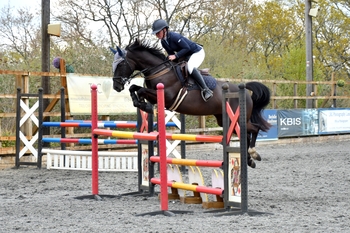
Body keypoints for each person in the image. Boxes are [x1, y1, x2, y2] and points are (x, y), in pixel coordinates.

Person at [152, 19, 213, 101]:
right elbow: (171, 54)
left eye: (158, 32)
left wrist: (176, 55)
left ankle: (206, 90)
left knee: (190, 67)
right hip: (186, 54)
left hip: (197, 52)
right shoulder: (163, 42)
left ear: (164, 30)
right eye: (156, 33)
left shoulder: (174, 36)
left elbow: (186, 48)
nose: (157, 35)